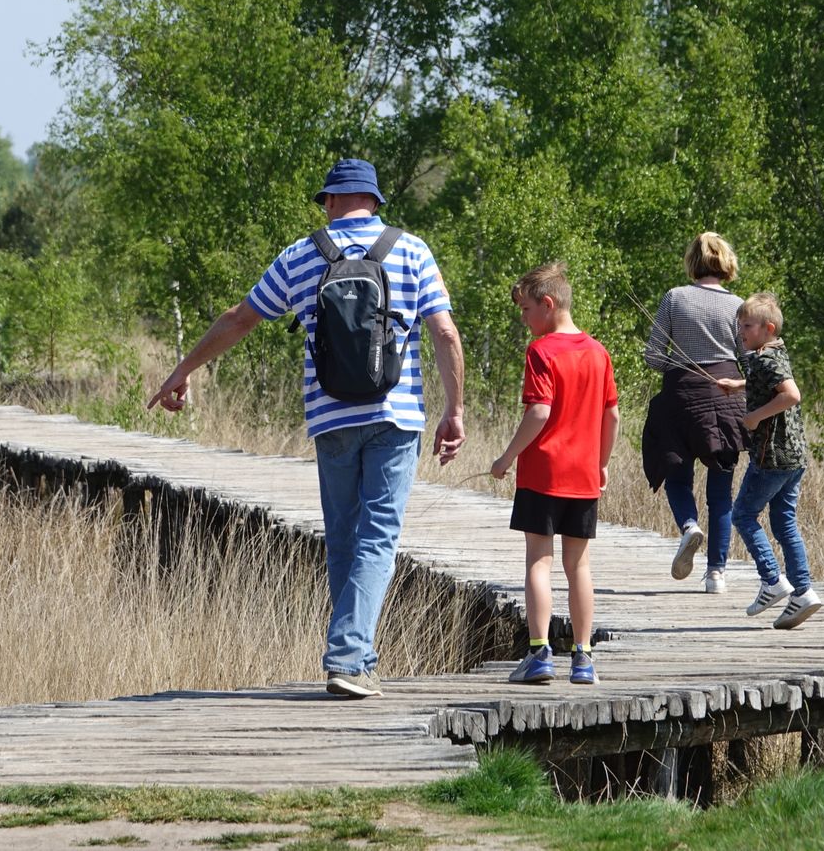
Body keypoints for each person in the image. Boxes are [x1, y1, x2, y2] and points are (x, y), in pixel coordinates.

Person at [146, 158, 466, 700]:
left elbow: (240, 318)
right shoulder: (412, 250)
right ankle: (348, 656)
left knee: (343, 539)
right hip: (396, 417)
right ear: (375, 201)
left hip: (331, 417)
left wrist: (184, 368)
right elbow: (445, 332)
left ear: (331, 201)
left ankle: (355, 659)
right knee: (378, 537)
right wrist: (454, 409)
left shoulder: (301, 255)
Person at [489, 264, 618, 686]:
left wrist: (507, 457)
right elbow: (611, 414)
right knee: (579, 565)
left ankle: (539, 654)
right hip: (583, 475)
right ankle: (583, 659)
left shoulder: (541, 351)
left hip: (543, 473)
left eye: (526, 310)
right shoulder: (598, 352)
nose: (524, 319)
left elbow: (539, 411)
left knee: (538, 561)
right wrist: (601, 462)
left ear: (548, 304)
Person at [639, 232, 747, 593]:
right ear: (725, 262)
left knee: (678, 478)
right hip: (727, 398)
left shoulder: (674, 298)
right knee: (721, 493)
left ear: (692, 262)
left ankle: (688, 526)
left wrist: (681, 363)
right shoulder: (739, 307)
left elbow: (653, 355)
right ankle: (716, 573)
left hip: (681, 397)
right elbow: (749, 361)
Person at [717, 292, 823, 629]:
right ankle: (803, 592)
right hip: (794, 456)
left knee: (743, 515)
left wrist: (754, 419)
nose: (741, 331)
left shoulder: (763, 359)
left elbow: (791, 394)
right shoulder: (773, 353)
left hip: (771, 456)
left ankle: (772, 581)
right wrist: (739, 386)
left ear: (768, 328)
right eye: (739, 325)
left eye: (747, 326)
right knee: (784, 522)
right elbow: (772, 382)